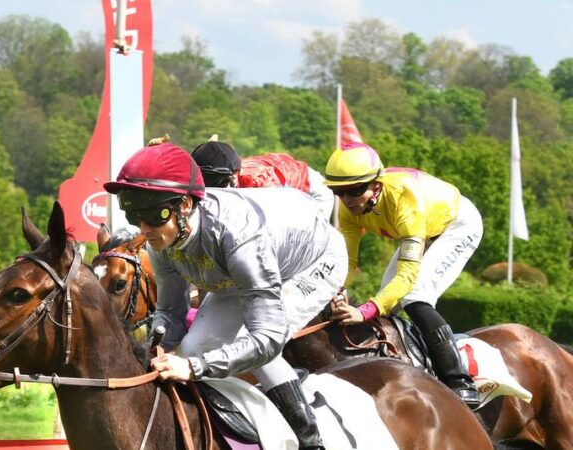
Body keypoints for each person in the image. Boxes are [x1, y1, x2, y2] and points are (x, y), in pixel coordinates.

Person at [104, 142, 347, 450]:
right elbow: (171, 314)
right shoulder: (160, 242)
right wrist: (160, 346)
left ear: (185, 207)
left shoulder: (239, 237)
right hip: (237, 274)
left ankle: (312, 441)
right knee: (191, 347)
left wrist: (193, 369)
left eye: (153, 216)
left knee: (250, 342)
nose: (143, 228)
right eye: (133, 216)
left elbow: (267, 339)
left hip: (311, 262)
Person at [324, 142, 482, 409]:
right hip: (422, 230)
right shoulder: (347, 210)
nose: (348, 200)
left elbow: (407, 277)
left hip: (456, 225)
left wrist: (363, 312)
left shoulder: (403, 203)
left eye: (354, 191)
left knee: (415, 295)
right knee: (388, 305)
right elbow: (347, 263)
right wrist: (336, 291)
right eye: (339, 192)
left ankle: (460, 381)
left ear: (376, 186)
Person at [191, 138, 335, 222]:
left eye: (216, 181)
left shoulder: (257, 181)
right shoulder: (233, 176)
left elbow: (276, 221)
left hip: (312, 193)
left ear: (234, 174)